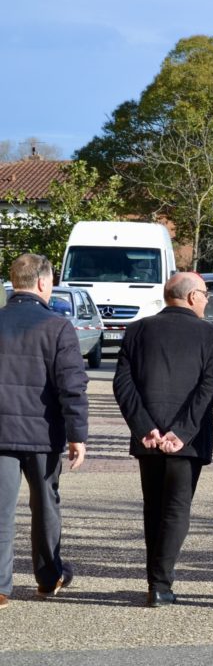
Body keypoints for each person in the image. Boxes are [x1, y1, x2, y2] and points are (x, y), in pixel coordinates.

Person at [113, 272, 213, 607]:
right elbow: (209, 389)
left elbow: (123, 385)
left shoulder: (137, 330)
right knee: (176, 509)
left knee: (154, 508)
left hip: (150, 438)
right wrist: (181, 432)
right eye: (205, 294)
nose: (208, 300)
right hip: (185, 441)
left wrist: (144, 426)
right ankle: (160, 583)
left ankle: (156, 581)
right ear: (192, 297)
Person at [0, 253, 88, 607]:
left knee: (1, 510)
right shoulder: (57, 326)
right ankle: (48, 577)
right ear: (42, 283)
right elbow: (72, 385)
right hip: (42, 432)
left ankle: (0, 587)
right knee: (46, 506)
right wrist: (77, 434)